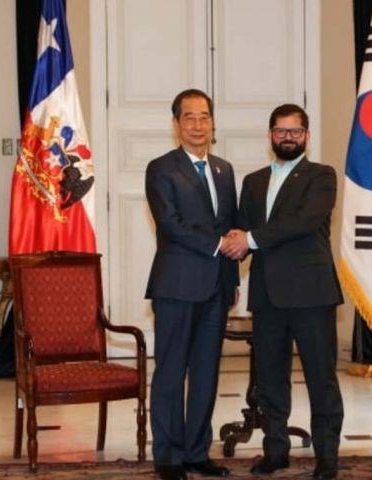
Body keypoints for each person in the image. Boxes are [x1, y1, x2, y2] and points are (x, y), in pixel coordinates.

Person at [222, 104, 344, 480]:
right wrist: (231, 255)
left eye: (295, 131)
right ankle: (275, 451)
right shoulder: (254, 181)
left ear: (306, 135)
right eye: (280, 131)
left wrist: (251, 238)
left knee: (321, 378)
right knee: (270, 380)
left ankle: (327, 457)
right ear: (270, 135)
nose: (287, 137)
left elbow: (305, 222)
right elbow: (240, 231)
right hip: (268, 296)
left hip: (311, 292)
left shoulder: (321, 176)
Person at [145, 89, 238, 480]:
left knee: (206, 372)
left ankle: (197, 451)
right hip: (177, 287)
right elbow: (171, 224)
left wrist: (233, 268)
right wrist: (220, 244)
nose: (198, 125)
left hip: (217, 288)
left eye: (204, 117)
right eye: (189, 118)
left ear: (213, 123)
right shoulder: (161, 169)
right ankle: (168, 457)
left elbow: (229, 223)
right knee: (171, 372)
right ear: (176, 124)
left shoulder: (224, 169)